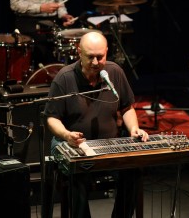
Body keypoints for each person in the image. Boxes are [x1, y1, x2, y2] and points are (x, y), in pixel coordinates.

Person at [44, 31, 149, 217]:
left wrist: (133, 128)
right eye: (90, 57)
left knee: (133, 171)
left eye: (100, 57)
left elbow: (127, 108)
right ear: (79, 52)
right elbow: (52, 118)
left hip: (108, 144)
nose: (95, 62)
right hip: (72, 144)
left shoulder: (114, 72)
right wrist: (67, 135)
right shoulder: (64, 78)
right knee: (77, 173)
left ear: (107, 52)